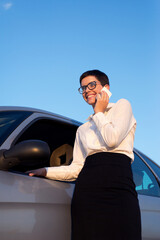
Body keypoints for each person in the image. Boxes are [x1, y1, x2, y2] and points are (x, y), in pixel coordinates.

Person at [27, 70, 142, 240]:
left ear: (106, 88)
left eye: (92, 85)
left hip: (119, 183)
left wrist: (99, 112)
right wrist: (45, 171)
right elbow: (76, 168)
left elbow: (112, 140)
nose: (86, 90)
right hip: (87, 190)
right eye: (83, 88)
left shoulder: (122, 105)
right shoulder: (83, 129)